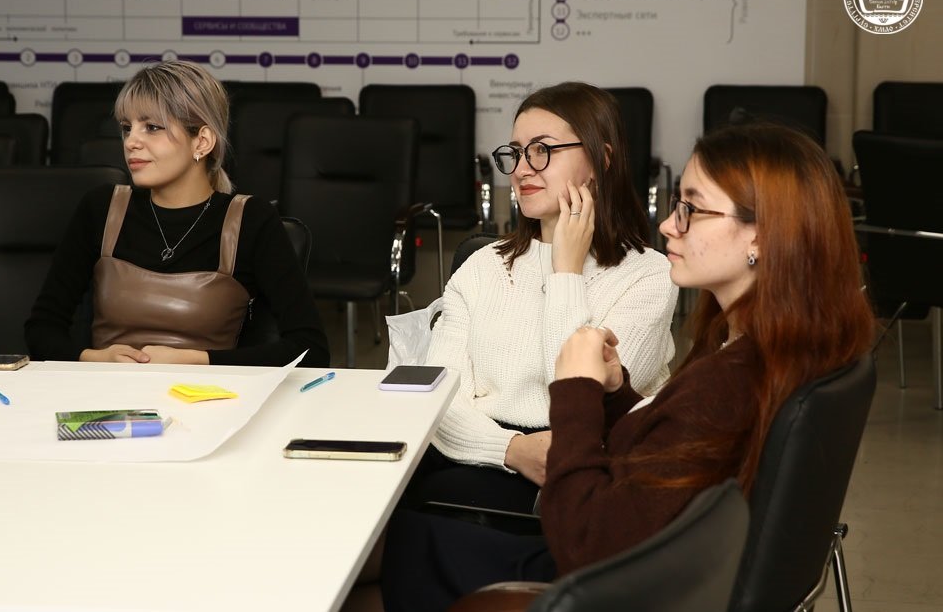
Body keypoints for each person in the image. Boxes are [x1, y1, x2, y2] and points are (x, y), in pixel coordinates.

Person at [362, 122, 874, 612]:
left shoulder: (725, 379)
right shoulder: (773, 348)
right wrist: (616, 394)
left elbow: (585, 542)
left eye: (692, 210)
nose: (669, 224)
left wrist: (576, 390)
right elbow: (671, 450)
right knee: (391, 542)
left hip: (601, 578)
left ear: (761, 236)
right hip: (645, 558)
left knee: (378, 548)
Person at [406, 82, 677, 515]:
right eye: (516, 152)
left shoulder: (649, 275)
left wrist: (565, 271)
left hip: (585, 470)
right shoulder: (482, 266)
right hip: (481, 455)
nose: (521, 170)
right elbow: (442, 398)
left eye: (542, 150)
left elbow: (577, 400)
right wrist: (511, 449)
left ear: (601, 160)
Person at [25, 60, 329, 367]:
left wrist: (197, 361)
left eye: (152, 127)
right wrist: (94, 359)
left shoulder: (251, 220)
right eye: (127, 128)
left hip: (207, 394)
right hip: (108, 390)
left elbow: (311, 350)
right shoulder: (101, 208)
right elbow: (41, 330)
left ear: (202, 141)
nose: (131, 142)